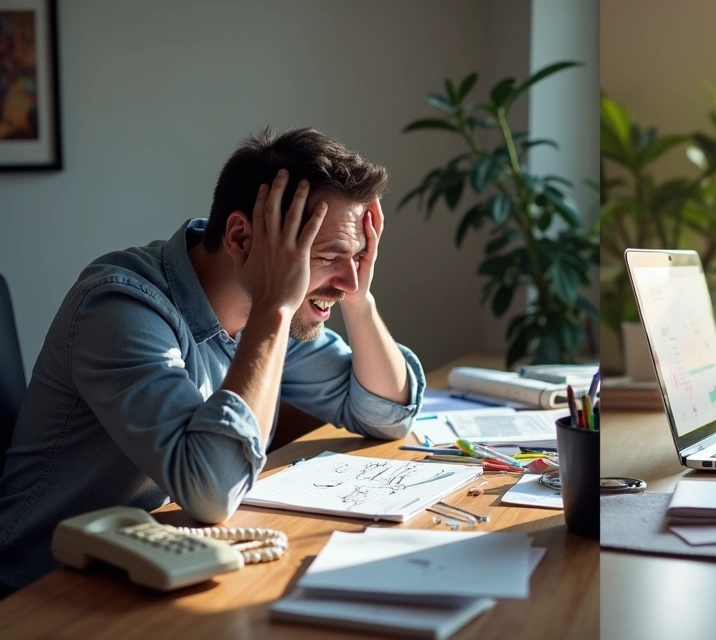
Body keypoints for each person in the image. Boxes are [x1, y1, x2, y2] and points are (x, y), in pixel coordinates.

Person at [0, 128, 424, 593]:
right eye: (328, 256)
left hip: (159, 573)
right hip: (42, 593)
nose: (345, 280)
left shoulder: (273, 309)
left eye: (359, 258)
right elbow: (211, 490)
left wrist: (359, 299)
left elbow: (384, 412)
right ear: (242, 237)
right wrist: (275, 308)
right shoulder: (119, 308)